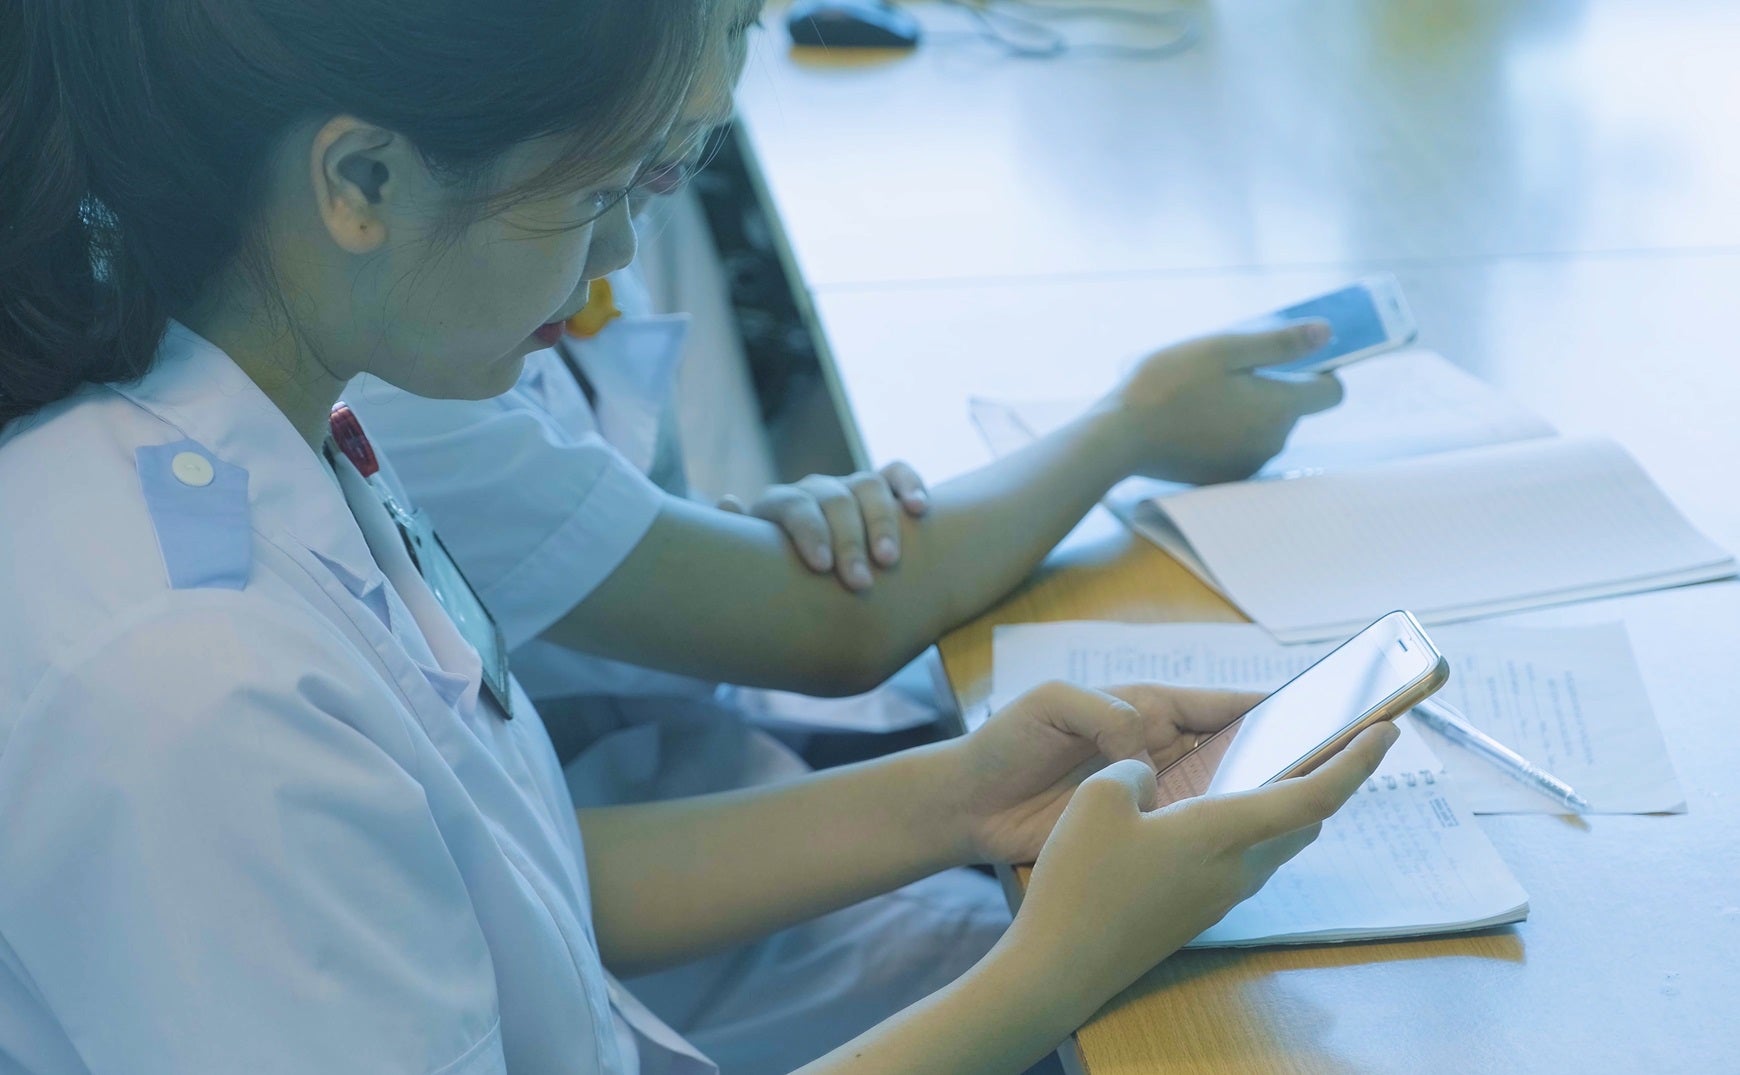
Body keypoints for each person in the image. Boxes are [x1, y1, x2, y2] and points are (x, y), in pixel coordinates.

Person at [0, 3, 1398, 1075]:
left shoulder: (276, 439)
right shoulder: (194, 683)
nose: (611, 263)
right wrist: (1050, 972)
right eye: (597, 200)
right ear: (360, 179)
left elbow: (514, 873)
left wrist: (966, 795)